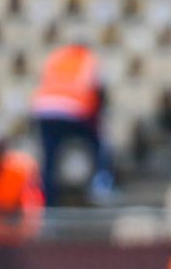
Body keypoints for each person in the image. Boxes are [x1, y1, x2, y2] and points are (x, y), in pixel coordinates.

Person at [29, 42, 111, 206]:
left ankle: (47, 200)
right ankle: (100, 184)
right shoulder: (88, 59)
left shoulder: (55, 57)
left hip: (44, 110)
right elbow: (98, 90)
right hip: (74, 109)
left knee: (49, 158)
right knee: (99, 143)